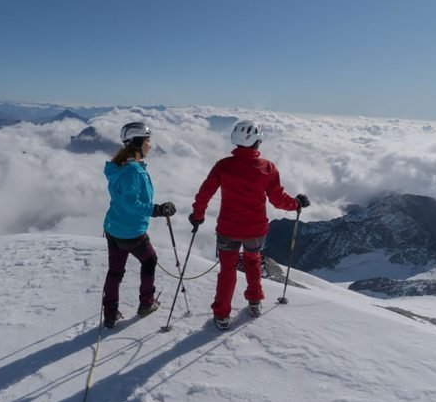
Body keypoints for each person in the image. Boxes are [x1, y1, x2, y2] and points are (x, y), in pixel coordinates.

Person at [189, 120, 310, 330]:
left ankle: (222, 315)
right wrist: (297, 204)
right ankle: (255, 302)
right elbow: (278, 199)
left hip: (228, 229)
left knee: (227, 270)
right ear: (257, 142)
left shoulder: (223, 166)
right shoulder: (267, 167)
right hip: (255, 229)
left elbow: (205, 192)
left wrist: (198, 215)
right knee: (253, 262)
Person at [102, 121, 176, 328]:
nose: (150, 145)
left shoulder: (118, 166)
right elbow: (131, 203)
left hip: (113, 228)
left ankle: (109, 314)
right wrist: (157, 210)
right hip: (131, 231)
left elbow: (123, 200)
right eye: (147, 140)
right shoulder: (133, 171)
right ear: (137, 142)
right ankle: (146, 304)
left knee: (115, 271)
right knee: (150, 261)